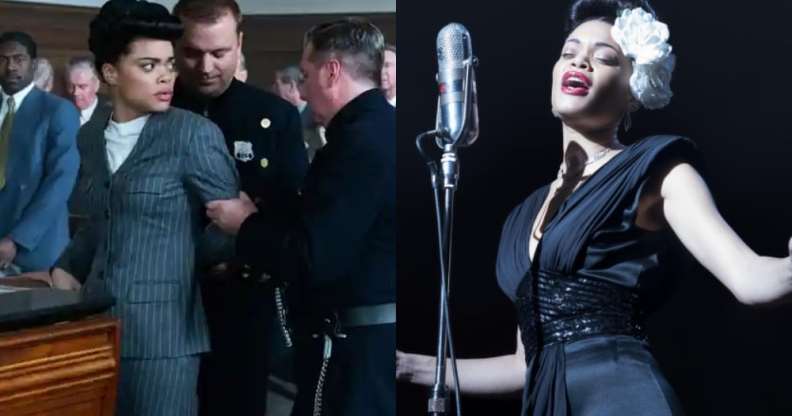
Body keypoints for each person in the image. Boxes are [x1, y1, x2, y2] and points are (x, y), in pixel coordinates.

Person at [396, 1, 792, 415]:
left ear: (632, 93)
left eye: (604, 59)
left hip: (622, 398)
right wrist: (409, 367)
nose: (581, 62)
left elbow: (751, 281)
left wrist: (787, 269)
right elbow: (525, 364)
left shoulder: (657, 169)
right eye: (570, 53)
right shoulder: (522, 215)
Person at [46, 1, 239, 414]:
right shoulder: (90, 136)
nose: (167, 75)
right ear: (110, 72)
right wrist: (64, 268)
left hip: (165, 338)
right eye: (149, 65)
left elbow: (227, 231)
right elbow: (101, 220)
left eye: (169, 64)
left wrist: (174, 263)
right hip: (94, 327)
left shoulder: (194, 135)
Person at [208, 17, 396, 416]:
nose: (304, 89)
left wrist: (246, 224)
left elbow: (315, 258)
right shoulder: (380, 129)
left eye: (307, 75)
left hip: (354, 348)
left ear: (332, 72)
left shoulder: (359, 143)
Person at [170, 1, 308, 414]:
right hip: (167, 299)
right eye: (193, 53)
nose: (206, 66)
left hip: (242, 300)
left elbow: (294, 208)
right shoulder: (154, 108)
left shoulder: (274, 116)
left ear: (240, 43)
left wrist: (251, 229)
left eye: (219, 53)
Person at [0, 32, 79, 275]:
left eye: (19, 59)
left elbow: (60, 181)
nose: (11, 66)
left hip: (35, 247)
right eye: (2, 59)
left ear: (33, 65)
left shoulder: (57, 110)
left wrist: (18, 239)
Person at [273, 64, 325, 162]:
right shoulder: (282, 115)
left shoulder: (316, 115)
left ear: (292, 86)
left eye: (277, 84)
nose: (273, 89)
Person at [64, 56, 110, 126]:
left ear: (96, 85)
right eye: (71, 86)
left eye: (82, 86)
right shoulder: (60, 111)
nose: (76, 92)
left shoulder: (113, 113)